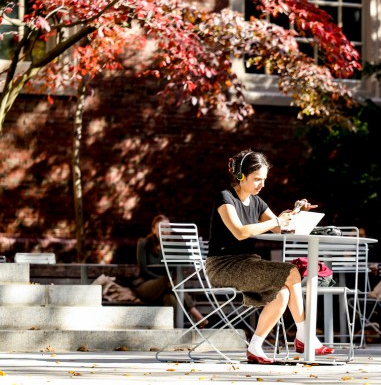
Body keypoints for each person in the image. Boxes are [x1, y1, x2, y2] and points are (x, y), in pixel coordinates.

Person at [204, 149, 334, 365]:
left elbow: (280, 227)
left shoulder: (257, 202)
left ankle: (255, 347)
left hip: (249, 263)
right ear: (241, 176)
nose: (262, 184)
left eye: (264, 179)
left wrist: (296, 212)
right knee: (291, 272)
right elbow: (240, 232)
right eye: (257, 179)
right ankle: (304, 336)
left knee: (281, 294)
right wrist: (277, 221)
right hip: (223, 266)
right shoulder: (225, 198)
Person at [133, 213, 206, 327]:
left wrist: (170, 283)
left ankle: (174, 333)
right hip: (146, 286)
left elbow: (183, 264)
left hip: (169, 288)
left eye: (167, 228)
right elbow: (144, 271)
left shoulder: (173, 245)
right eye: (161, 228)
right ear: (153, 230)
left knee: (170, 298)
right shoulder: (144, 244)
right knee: (169, 282)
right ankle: (196, 314)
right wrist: (166, 282)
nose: (165, 231)